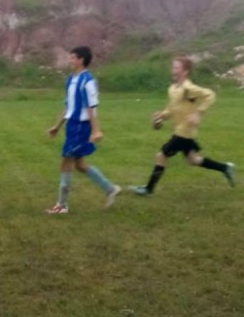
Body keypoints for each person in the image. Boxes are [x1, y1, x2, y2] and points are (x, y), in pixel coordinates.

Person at [131, 56, 236, 196]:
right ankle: (225, 168)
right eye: (173, 67)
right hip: (185, 132)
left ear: (185, 72)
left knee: (161, 155)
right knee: (193, 160)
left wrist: (198, 113)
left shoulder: (188, 88)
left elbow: (210, 95)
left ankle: (148, 189)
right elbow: (171, 111)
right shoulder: (172, 89)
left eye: (176, 68)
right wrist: (161, 115)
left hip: (183, 132)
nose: (173, 70)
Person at [46, 46, 121, 214]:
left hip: (81, 127)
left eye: (73, 57)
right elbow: (68, 106)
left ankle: (62, 205)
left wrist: (96, 130)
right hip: (72, 125)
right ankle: (110, 189)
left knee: (66, 161)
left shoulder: (88, 81)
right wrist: (57, 126)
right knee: (79, 165)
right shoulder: (71, 80)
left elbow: (91, 108)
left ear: (81, 60)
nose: (70, 60)